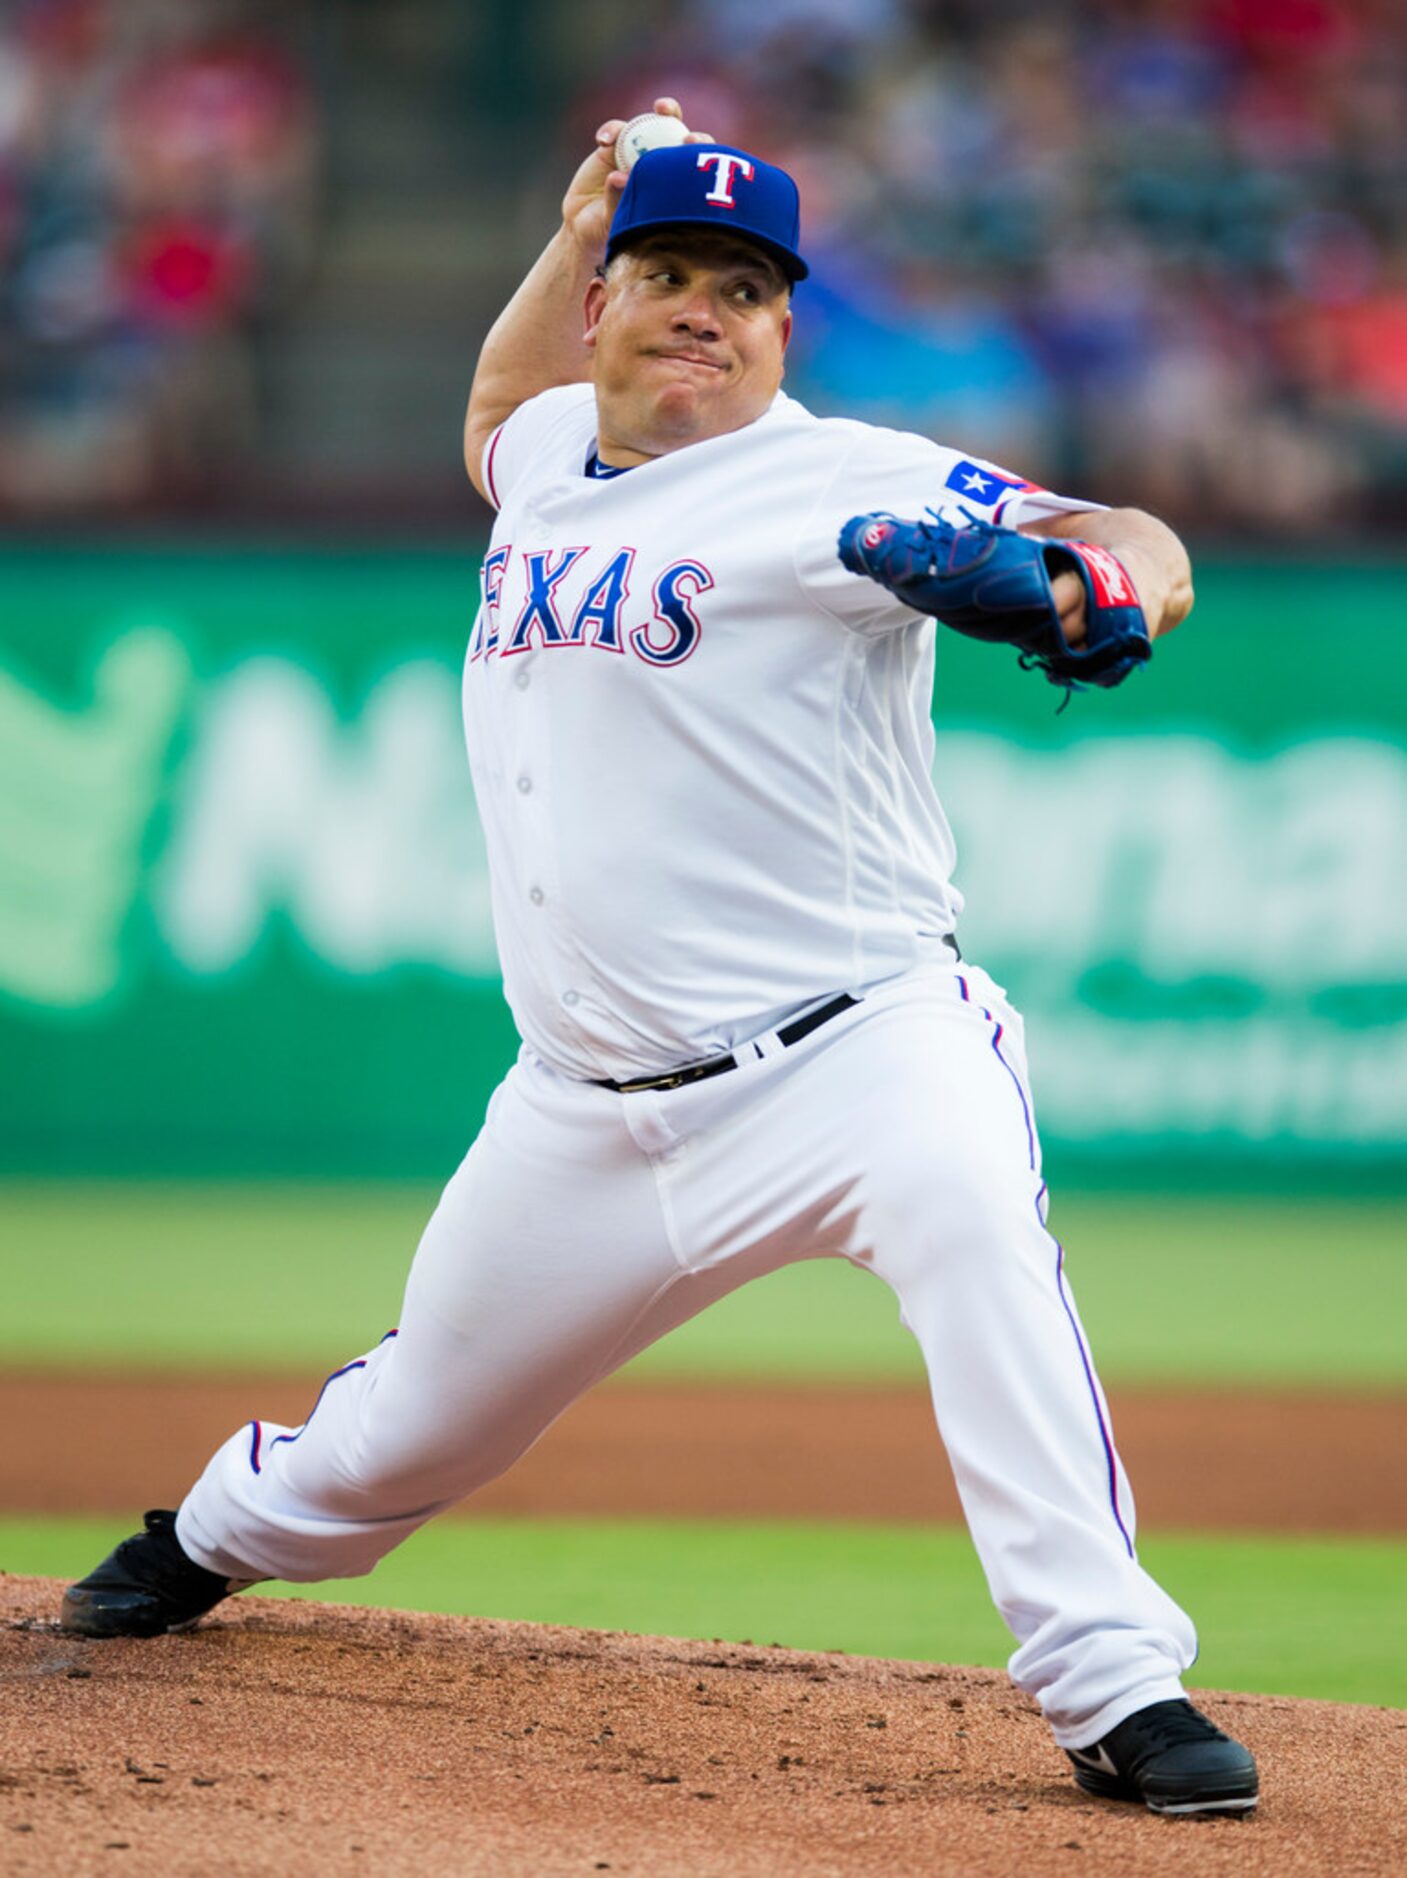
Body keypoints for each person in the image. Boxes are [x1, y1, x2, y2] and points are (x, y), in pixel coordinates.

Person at [62, 100, 1257, 1818]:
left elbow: (1138, 534)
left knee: (976, 1231)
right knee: (411, 1432)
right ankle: (209, 1535)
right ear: (608, 303)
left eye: (748, 291)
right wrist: (566, 232)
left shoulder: (851, 475)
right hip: (584, 1108)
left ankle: (1116, 1685)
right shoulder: (551, 449)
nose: (706, 309)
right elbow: (491, 408)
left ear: (785, 329)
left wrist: (1109, 600)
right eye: (671, 274)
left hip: (860, 1051)